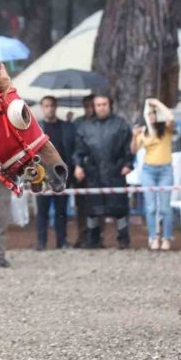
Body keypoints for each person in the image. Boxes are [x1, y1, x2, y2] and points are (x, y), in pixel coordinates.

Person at [72, 93, 134, 249]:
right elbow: (79, 150)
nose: (101, 107)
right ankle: (93, 239)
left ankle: (123, 239)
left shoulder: (121, 124)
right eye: (98, 105)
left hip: (115, 172)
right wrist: (78, 166)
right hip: (93, 173)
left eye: (104, 104)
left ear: (109, 105)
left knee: (119, 208)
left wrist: (128, 164)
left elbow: (129, 148)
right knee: (92, 209)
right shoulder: (85, 127)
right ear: (94, 106)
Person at [131, 98, 175, 250]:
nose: (151, 116)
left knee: (165, 207)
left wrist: (157, 103)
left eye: (154, 113)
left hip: (165, 170)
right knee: (150, 207)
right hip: (148, 171)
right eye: (149, 114)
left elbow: (171, 117)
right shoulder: (144, 131)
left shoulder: (166, 129)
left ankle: (167, 238)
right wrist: (134, 135)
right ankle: (153, 237)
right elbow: (134, 149)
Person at [35, 96, 75, 250]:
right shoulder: (36, 129)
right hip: (42, 175)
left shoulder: (66, 127)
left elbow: (71, 148)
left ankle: (61, 241)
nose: (49, 108)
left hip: (61, 175)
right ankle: (41, 242)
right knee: (42, 211)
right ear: (42, 107)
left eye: (52, 105)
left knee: (61, 211)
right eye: (46, 105)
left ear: (56, 107)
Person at [70, 94, 95, 247]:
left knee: (96, 204)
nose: (89, 109)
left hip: (96, 168)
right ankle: (82, 234)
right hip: (80, 168)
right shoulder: (77, 123)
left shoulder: (99, 122)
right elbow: (74, 146)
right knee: (81, 206)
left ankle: (95, 235)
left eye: (91, 106)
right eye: (86, 106)